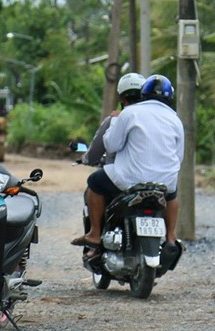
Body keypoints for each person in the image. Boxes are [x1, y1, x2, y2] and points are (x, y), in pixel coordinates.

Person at [71, 74, 184, 254]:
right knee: (173, 193)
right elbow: (178, 156)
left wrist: (116, 120)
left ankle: (94, 234)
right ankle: (171, 238)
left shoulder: (128, 114)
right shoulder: (175, 119)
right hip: (165, 181)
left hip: (129, 179)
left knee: (94, 182)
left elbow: (111, 145)